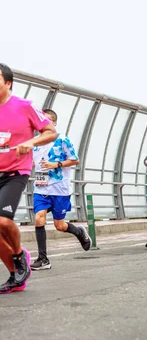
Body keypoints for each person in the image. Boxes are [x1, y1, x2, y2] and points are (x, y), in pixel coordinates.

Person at [0, 63, 57, 293]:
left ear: (8, 83)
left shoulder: (25, 107)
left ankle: (19, 254)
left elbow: (50, 131)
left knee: (2, 221)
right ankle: (16, 276)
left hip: (16, 172)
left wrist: (30, 142)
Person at [31, 109, 90, 270]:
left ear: (54, 123)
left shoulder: (62, 140)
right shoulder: (35, 142)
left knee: (60, 225)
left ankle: (79, 232)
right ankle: (43, 259)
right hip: (41, 189)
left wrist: (55, 164)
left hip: (60, 190)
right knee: (39, 219)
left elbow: (75, 160)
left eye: (48, 120)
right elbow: (31, 163)